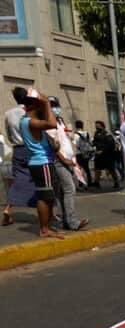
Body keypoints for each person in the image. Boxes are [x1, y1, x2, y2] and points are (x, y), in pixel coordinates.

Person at [19, 91, 61, 238]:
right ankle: (44, 229)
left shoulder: (27, 121)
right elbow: (52, 124)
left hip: (41, 162)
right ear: (34, 106)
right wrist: (47, 103)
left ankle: (46, 227)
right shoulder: (30, 122)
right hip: (42, 163)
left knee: (47, 196)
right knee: (45, 197)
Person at [47, 96, 87, 231]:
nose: (55, 108)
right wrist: (63, 159)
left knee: (64, 192)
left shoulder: (59, 121)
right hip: (59, 161)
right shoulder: (48, 122)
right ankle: (72, 221)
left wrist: (73, 160)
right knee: (70, 189)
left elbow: (65, 141)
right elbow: (52, 144)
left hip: (68, 160)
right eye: (52, 105)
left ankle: (66, 221)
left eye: (56, 105)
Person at [3, 86, 37, 227]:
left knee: (18, 180)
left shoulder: (8, 113)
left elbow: (9, 134)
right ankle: (50, 214)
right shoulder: (30, 112)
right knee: (41, 180)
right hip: (32, 149)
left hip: (17, 149)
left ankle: (8, 209)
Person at [91, 120, 120, 190]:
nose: (96, 126)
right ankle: (96, 182)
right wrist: (94, 147)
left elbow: (110, 144)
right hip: (98, 154)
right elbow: (94, 142)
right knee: (97, 169)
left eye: (97, 125)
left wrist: (103, 151)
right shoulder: (96, 133)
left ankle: (116, 182)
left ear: (102, 125)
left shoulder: (107, 133)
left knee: (111, 169)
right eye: (96, 125)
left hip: (107, 155)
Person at [73, 120, 93, 188]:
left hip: (79, 153)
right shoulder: (86, 133)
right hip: (86, 152)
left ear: (76, 126)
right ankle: (90, 182)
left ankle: (81, 183)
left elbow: (75, 144)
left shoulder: (75, 134)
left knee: (80, 168)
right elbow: (90, 142)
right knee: (87, 168)